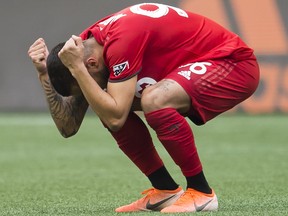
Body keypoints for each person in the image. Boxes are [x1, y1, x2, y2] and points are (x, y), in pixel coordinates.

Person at [28, 3, 259, 213]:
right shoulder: (87, 48)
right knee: (106, 104)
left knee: (148, 101)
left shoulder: (118, 42)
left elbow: (117, 118)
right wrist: (43, 75)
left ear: (90, 64)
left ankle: (202, 192)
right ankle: (165, 190)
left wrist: (79, 71)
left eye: (84, 73)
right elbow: (68, 126)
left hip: (233, 63)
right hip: (197, 64)